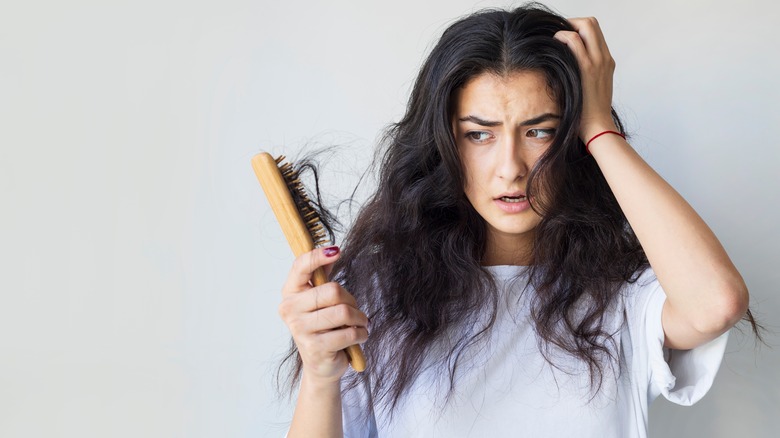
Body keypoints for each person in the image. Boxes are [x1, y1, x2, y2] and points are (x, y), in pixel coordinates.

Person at [275, 4, 757, 437]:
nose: (511, 168)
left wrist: (597, 124)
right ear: (444, 143)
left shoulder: (624, 295)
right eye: (479, 135)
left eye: (540, 130)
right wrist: (319, 375)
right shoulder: (377, 295)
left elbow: (717, 303)